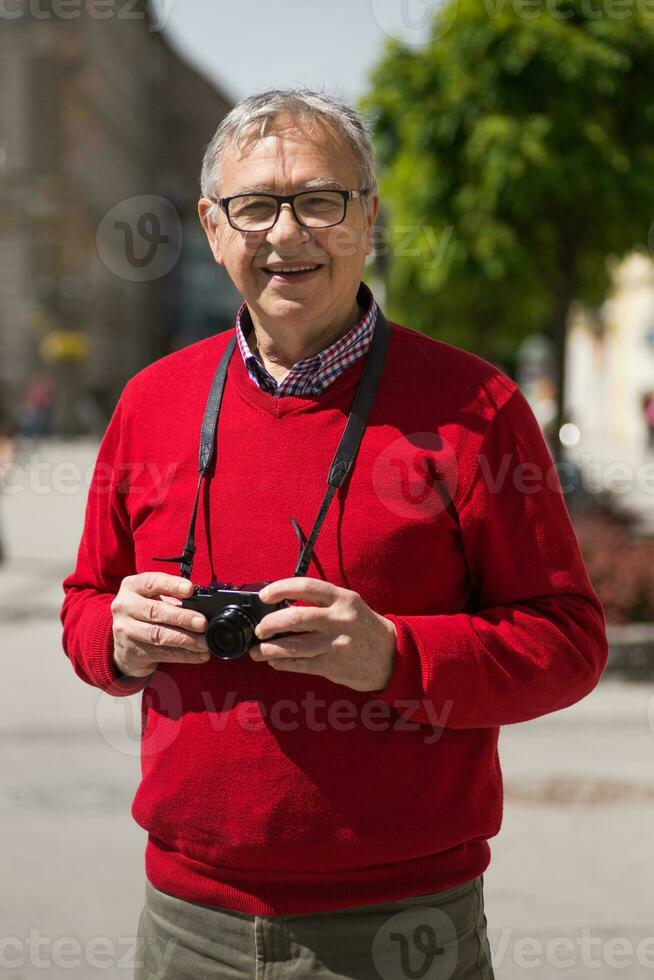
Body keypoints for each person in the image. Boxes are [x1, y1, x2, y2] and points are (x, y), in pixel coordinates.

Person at [60, 89, 608, 980]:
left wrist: (395, 655)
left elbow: (570, 641)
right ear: (212, 225)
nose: (288, 234)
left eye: (321, 200)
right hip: (186, 920)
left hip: (401, 927)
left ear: (369, 216)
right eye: (255, 206)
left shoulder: (478, 409)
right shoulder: (150, 402)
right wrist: (116, 641)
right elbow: (85, 603)